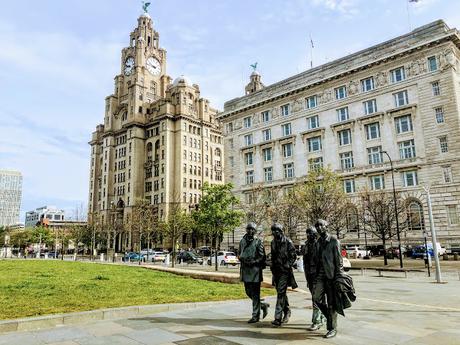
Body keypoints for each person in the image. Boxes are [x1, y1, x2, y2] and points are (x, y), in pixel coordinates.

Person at [313, 219, 355, 339]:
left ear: (326, 227)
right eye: (317, 226)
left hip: (331, 275)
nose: (319, 228)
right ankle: (330, 318)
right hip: (321, 275)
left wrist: (339, 276)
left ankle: (332, 328)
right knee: (316, 298)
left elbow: (339, 261)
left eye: (321, 225)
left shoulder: (334, 241)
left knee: (331, 303)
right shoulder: (318, 242)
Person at [238, 222, 269, 323]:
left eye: (252, 229)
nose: (250, 231)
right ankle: (263, 305)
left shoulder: (258, 242)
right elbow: (239, 252)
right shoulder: (242, 241)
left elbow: (262, 256)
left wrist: (253, 262)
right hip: (245, 270)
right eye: (249, 229)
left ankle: (255, 315)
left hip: (255, 271)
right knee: (248, 292)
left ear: (255, 231)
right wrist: (240, 258)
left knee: (255, 294)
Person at [270, 223, 298, 326]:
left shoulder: (288, 242)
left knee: (281, 292)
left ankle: (277, 317)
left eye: (276, 230)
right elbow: (273, 255)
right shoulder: (273, 242)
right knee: (280, 292)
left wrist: (287, 264)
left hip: (285, 272)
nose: (274, 232)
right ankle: (287, 311)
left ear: (281, 231)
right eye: (273, 230)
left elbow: (293, 256)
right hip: (276, 271)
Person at [303, 226, 326, 331]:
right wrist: (307, 278)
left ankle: (316, 321)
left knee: (316, 299)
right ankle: (323, 317)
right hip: (310, 275)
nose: (308, 235)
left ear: (315, 234)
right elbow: (305, 262)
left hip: (319, 275)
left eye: (310, 233)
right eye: (307, 233)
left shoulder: (320, 244)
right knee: (317, 298)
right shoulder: (306, 245)